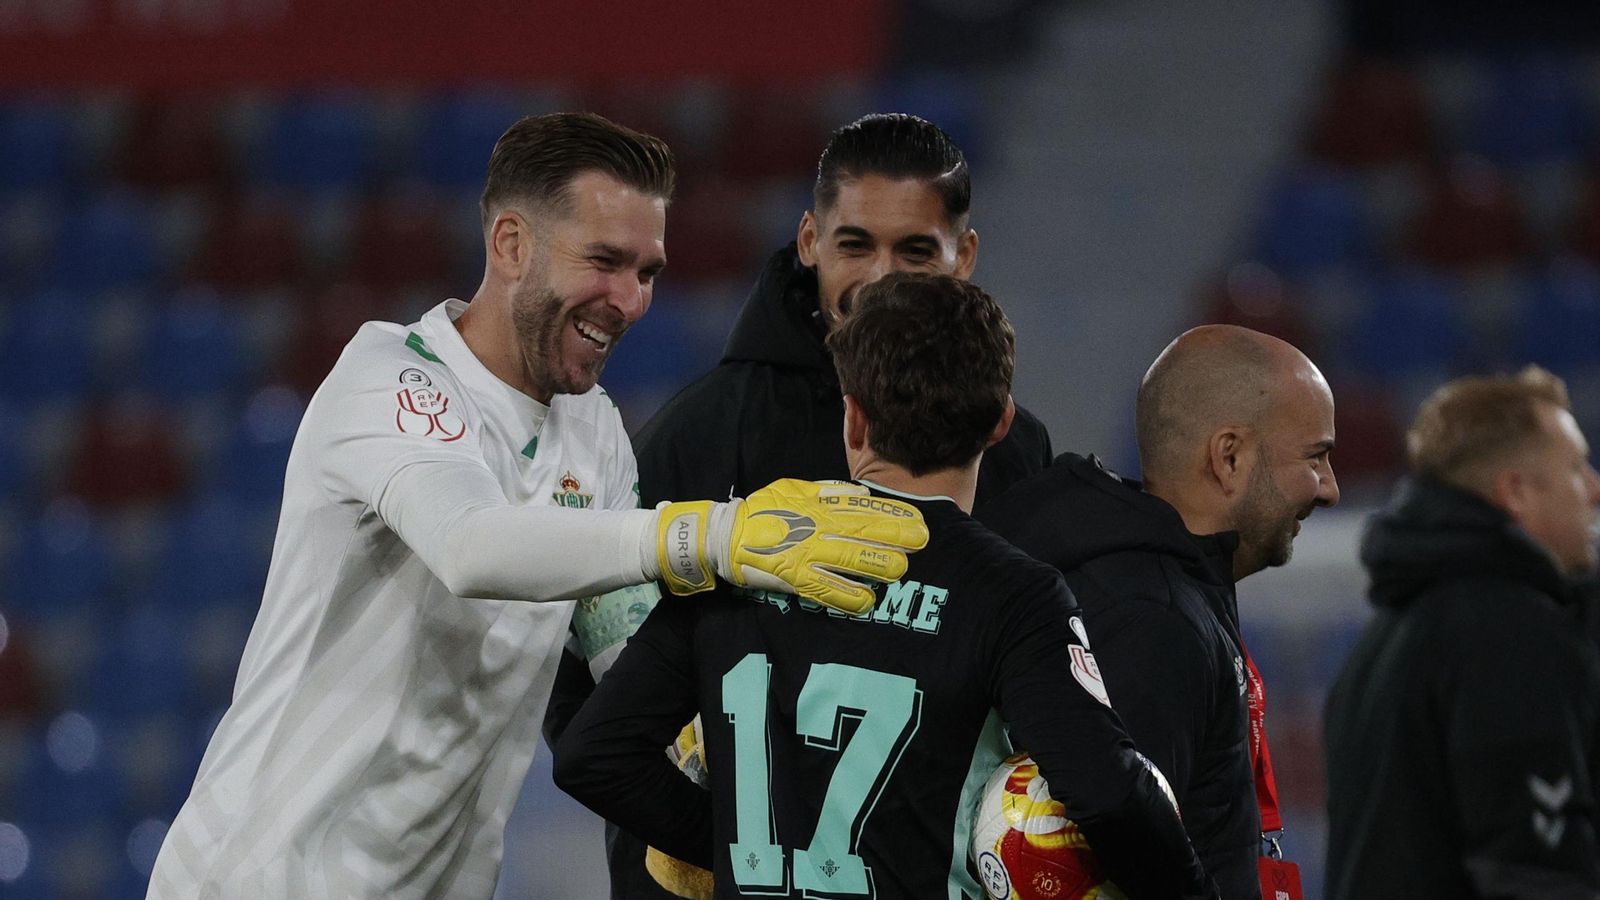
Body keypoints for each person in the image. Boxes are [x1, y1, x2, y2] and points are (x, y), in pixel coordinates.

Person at [146, 113, 928, 899]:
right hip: (261, 877)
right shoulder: (388, 379)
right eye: (604, 261)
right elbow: (471, 548)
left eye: (648, 272)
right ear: (511, 244)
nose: (628, 300)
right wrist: (715, 534)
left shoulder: (595, 438)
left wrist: (729, 794)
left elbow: (624, 656)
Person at [553, 272, 1219, 899]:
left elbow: (593, 753)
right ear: (1001, 424)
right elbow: (1110, 793)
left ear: (854, 419)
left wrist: (729, 844)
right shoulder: (1014, 595)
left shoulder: (747, 556)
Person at [542, 112, 1055, 896]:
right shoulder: (701, 440)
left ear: (965, 257)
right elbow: (587, 700)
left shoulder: (1010, 451)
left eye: (915, 250)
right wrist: (722, 848)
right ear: (811, 241)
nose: (882, 276)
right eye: (857, 245)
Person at [981, 324, 1341, 900]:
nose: (1329, 489)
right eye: (1316, 458)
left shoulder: (1157, 586)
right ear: (1228, 457)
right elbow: (1100, 871)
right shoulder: (1153, 622)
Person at [1323, 366, 1600, 899]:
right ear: (1516, 490)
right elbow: (1534, 875)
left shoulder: (1384, 638)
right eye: (1575, 467)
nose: (1592, 488)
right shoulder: (1508, 629)